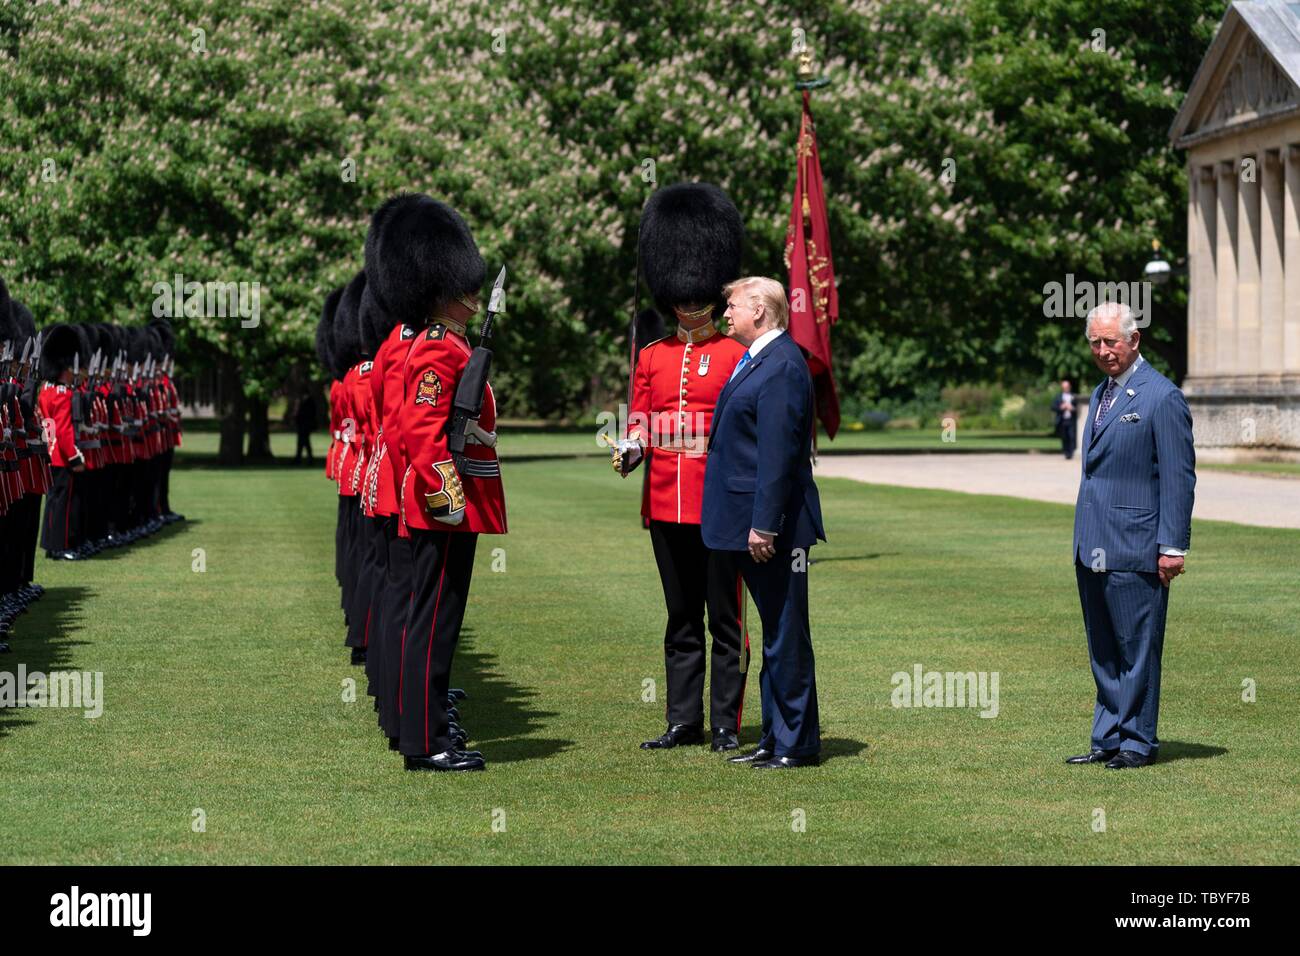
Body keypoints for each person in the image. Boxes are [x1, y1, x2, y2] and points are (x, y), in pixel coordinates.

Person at [610, 182, 750, 752]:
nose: (690, 304)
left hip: (719, 505)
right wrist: (631, 445)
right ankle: (682, 719)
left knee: (725, 619)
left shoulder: (737, 354)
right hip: (665, 501)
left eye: (699, 296)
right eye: (683, 296)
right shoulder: (652, 355)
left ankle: (724, 723)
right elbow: (642, 417)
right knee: (680, 618)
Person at [372, 193, 507, 773]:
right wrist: (445, 491)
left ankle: (419, 729)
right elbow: (422, 430)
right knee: (432, 621)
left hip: (447, 502)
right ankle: (426, 742)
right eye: (462, 287)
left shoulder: (450, 345)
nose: (473, 296)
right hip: (440, 505)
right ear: (439, 288)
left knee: (434, 618)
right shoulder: (436, 351)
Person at [702, 276, 825, 770]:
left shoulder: (781, 366)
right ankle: (776, 738)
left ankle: (797, 743)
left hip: (774, 530)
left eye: (731, 305)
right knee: (775, 633)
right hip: (752, 523)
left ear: (760, 309)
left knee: (785, 633)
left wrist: (765, 526)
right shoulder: (759, 361)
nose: (725, 313)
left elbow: (776, 456)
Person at [1067, 302, 1195, 770]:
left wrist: (1172, 546)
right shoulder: (1102, 393)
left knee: (1136, 650)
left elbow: (1179, 479)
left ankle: (1137, 743)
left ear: (1134, 340)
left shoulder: (1162, 397)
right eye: (1095, 342)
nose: (1103, 351)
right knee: (1103, 650)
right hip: (1093, 544)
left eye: (1111, 342)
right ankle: (1107, 737)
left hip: (1137, 546)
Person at [1052, 379, 1078, 460]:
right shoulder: (1058, 397)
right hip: (1062, 420)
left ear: (1069, 387)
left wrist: (1072, 408)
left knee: (1072, 436)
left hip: (1071, 420)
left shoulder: (1074, 396)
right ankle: (1066, 452)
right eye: (1064, 387)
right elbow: (1053, 407)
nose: (1065, 388)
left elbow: (1079, 409)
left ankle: (1071, 452)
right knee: (1064, 437)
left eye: (1067, 387)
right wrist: (1061, 407)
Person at [294, 390, 317, 464]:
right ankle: (301, 458)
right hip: (301, 425)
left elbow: (310, 414)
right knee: (303, 442)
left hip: (306, 425)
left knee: (304, 442)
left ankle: (303, 458)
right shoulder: (301, 401)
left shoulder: (309, 402)